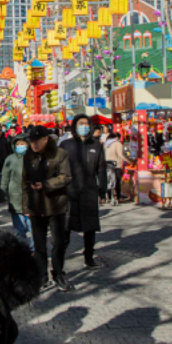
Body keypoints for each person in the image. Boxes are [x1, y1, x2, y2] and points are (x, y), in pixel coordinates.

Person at [24, 125, 73, 292]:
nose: (33, 145)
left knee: (59, 243)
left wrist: (46, 185)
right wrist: (25, 205)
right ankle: (41, 276)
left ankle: (58, 274)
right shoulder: (28, 156)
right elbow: (23, 182)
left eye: (36, 141)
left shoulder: (60, 154)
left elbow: (66, 177)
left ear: (46, 139)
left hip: (56, 205)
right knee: (39, 245)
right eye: (31, 142)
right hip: (35, 207)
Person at [60, 114, 106, 270]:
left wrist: (102, 191)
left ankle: (89, 257)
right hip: (69, 192)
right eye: (81, 123)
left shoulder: (97, 145)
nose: (84, 126)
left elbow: (101, 170)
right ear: (74, 126)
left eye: (87, 124)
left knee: (90, 228)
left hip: (89, 192)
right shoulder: (66, 145)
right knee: (65, 228)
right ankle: (59, 263)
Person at [0, 134, 32, 247]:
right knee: (20, 229)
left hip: (31, 198)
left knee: (33, 229)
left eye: (23, 144)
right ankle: (23, 251)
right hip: (15, 198)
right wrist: (2, 193)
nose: (21, 146)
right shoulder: (10, 159)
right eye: (18, 144)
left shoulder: (34, 158)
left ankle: (34, 250)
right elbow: (4, 177)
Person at [105, 132, 126, 205]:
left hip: (106, 164)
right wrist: (129, 161)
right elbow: (121, 155)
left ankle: (109, 197)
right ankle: (118, 197)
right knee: (116, 181)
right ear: (117, 138)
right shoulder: (117, 144)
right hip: (116, 165)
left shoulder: (106, 144)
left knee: (108, 181)